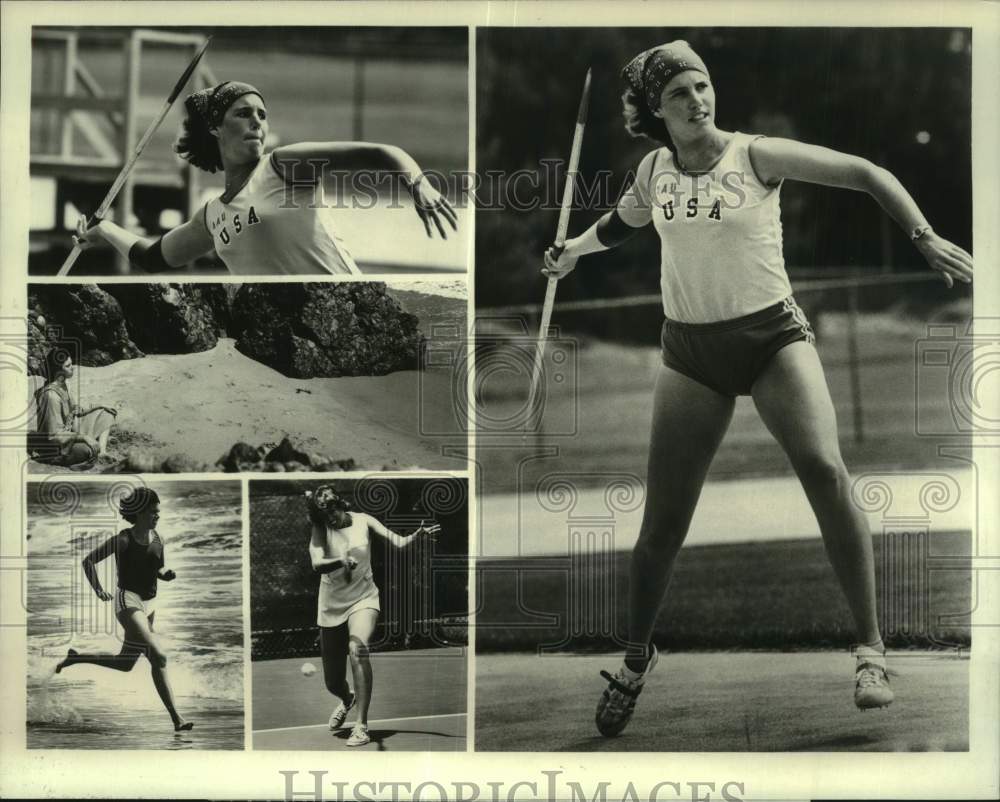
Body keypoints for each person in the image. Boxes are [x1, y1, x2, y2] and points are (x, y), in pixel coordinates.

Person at [541, 41, 973, 737]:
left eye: (703, 86)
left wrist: (922, 234)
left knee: (827, 471)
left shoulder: (756, 155)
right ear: (657, 108)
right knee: (659, 532)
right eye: (680, 93)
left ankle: (870, 653)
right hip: (690, 355)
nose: (698, 101)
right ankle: (634, 662)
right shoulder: (654, 170)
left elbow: (866, 172)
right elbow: (619, 227)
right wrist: (571, 254)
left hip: (772, 339)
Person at [72, 81, 457, 275]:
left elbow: (378, 153)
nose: (257, 121)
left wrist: (417, 182)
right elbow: (153, 257)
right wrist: (104, 230)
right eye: (244, 113)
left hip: (349, 308)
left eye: (262, 113)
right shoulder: (211, 217)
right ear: (215, 129)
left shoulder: (282, 165)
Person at [305, 484, 438, 747]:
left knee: (357, 648)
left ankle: (361, 725)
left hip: (364, 598)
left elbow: (397, 541)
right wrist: (340, 561)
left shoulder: (363, 520)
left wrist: (416, 536)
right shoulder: (320, 528)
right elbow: (316, 564)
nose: (330, 519)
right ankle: (346, 699)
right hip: (331, 606)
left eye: (332, 513)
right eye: (324, 516)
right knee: (332, 681)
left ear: (340, 505)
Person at [55, 488, 192, 732]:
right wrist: (99, 590)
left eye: (158, 512)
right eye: (153, 512)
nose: (157, 516)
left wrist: (165, 575)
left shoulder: (158, 539)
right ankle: (177, 720)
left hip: (149, 605)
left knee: (125, 663)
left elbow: (156, 569)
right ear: (139, 513)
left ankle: (78, 657)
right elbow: (88, 561)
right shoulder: (123, 540)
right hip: (127, 600)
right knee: (159, 656)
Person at [32, 347, 117, 468]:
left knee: (106, 413)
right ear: (58, 371)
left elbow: (74, 410)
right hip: (56, 444)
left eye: (71, 364)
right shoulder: (50, 396)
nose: (72, 367)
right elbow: (54, 435)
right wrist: (84, 437)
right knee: (85, 450)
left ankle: (102, 452)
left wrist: (98, 407)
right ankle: (70, 455)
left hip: (71, 429)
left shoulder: (64, 384)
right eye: (68, 366)